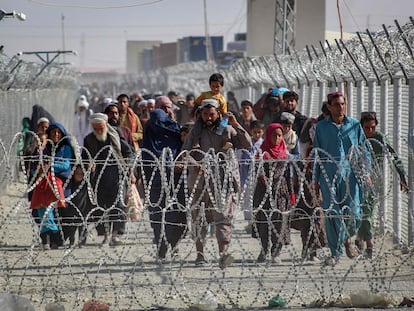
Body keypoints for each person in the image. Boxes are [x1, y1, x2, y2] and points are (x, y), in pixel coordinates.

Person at [182, 98, 252, 269]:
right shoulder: (195, 132)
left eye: (211, 114)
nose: (208, 117)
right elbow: (185, 152)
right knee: (199, 218)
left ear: (218, 114)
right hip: (200, 183)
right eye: (205, 114)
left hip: (223, 181)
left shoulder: (227, 130)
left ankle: (223, 255)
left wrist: (237, 125)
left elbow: (246, 144)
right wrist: (196, 165)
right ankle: (200, 255)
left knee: (223, 218)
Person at [312, 91, 370, 266]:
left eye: (343, 104)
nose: (340, 108)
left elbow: (363, 150)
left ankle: (346, 239)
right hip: (328, 175)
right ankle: (336, 252)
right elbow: (317, 154)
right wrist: (315, 180)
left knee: (354, 213)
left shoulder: (354, 125)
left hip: (350, 175)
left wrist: (365, 172)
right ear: (329, 107)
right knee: (332, 214)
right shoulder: (321, 127)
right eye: (336, 104)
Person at [356, 111, 409, 258]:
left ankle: (369, 246)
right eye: (367, 128)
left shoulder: (379, 138)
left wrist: (402, 176)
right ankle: (361, 237)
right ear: (361, 127)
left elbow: (394, 156)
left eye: (372, 127)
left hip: (374, 181)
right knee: (359, 212)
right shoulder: (356, 138)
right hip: (355, 181)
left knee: (367, 212)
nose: (370, 131)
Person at [141, 109, 187, 261]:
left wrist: (175, 166)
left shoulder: (175, 133)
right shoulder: (149, 139)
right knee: (157, 217)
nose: (157, 126)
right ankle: (161, 249)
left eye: (161, 122)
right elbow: (147, 161)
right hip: (155, 184)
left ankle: (173, 246)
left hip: (176, 183)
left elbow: (183, 152)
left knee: (177, 216)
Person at [83, 113, 134, 246]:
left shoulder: (115, 135)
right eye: (96, 129)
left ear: (106, 125)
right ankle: (105, 235)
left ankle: (115, 235)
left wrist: (127, 166)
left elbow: (128, 152)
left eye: (101, 128)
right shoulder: (89, 139)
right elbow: (85, 157)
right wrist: (89, 165)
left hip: (116, 176)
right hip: (98, 179)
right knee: (100, 207)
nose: (99, 131)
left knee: (117, 205)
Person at [252, 123, 294, 263]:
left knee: (279, 222)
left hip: (281, 193)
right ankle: (264, 250)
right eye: (273, 135)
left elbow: (289, 176)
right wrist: (263, 178)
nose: (276, 138)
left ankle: (276, 252)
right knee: (264, 221)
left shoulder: (285, 154)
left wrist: (292, 195)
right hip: (264, 192)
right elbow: (256, 171)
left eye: (279, 135)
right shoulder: (262, 152)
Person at [188, 73, 227, 144]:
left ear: (222, 87)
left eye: (217, 87)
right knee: (197, 126)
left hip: (216, 118)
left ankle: (224, 142)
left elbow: (223, 112)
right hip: (203, 117)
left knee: (223, 128)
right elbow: (197, 103)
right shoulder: (205, 95)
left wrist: (225, 120)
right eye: (213, 86)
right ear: (210, 86)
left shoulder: (222, 99)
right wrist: (193, 112)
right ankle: (196, 142)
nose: (215, 88)